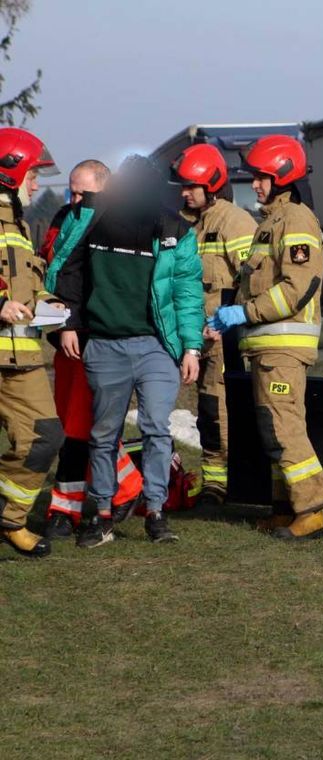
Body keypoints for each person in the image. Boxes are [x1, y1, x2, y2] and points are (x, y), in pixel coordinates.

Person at [55, 156, 204, 548]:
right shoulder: (93, 216)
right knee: (103, 435)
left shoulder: (175, 229)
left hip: (157, 346)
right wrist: (68, 322)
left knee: (157, 427)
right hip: (104, 344)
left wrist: (191, 348)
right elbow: (62, 268)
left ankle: (155, 511)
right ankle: (102, 516)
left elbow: (187, 292)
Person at [208, 135, 323, 541]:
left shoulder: (296, 220)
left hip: (283, 348)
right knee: (273, 426)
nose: (255, 185)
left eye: (261, 178)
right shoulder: (270, 224)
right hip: (265, 348)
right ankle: (285, 510)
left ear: (282, 177)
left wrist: (243, 311)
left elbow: (296, 289)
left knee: (284, 427)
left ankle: (312, 510)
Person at [41, 160, 144, 539]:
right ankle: (114, 488)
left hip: (94, 335)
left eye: (83, 192)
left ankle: (74, 504)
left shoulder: (111, 223)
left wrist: (71, 322)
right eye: (72, 190)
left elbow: (94, 280)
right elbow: (55, 268)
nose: (75, 197)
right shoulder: (66, 217)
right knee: (71, 424)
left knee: (82, 425)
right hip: (65, 334)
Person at [171, 144, 256, 505]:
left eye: (191, 186)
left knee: (216, 410)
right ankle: (208, 481)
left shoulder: (234, 222)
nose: (184, 192)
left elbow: (251, 280)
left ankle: (220, 485)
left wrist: (225, 320)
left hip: (224, 338)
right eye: (183, 186)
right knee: (203, 413)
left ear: (213, 184)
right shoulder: (187, 222)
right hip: (191, 336)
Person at [0, 127, 66, 558]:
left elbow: (25, 287)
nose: (38, 183)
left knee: (45, 437)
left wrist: (51, 303)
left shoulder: (18, 226)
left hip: (21, 357)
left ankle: (9, 520)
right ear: (11, 172)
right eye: (33, 174)